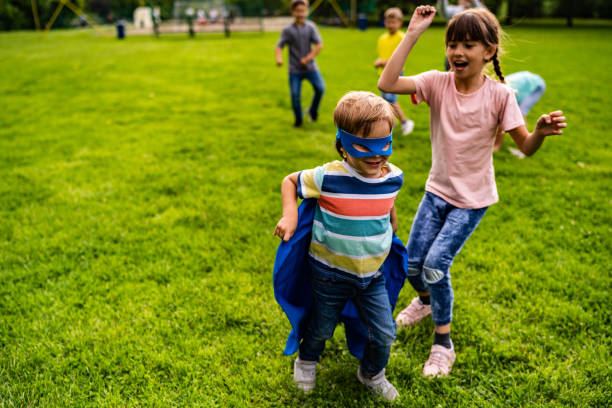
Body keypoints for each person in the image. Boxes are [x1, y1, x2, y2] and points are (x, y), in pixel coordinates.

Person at [378, 6, 566, 377]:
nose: (457, 52)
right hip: (437, 191)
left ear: (489, 50)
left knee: (434, 266)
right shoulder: (436, 82)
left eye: (467, 44)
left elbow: (525, 147)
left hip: (473, 199)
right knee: (413, 264)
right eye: (452, 44)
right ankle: (427, 302)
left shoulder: (501, 95)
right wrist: (413, 32)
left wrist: (540, 133)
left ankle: (443, 344)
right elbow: (387, 84)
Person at [273, 91, 404, 401]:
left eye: (385, 145)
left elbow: (387, 203)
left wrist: (390, 222)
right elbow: (290, 181)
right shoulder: (329, 176)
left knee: (384, 331)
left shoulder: (393, 176)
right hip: (328, 274)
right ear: (343, 145)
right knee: (320, 327)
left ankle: (372, 372)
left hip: (371, 275)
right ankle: (306, 362)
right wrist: (290, 216)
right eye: (365, 147)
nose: (377, 156)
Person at [275, 0, 325, 128]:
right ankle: (298, 120)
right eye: (298, 11)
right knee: (295, 96)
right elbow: (279, 46)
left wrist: (308, 58)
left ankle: (312, 110)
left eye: (303, 11)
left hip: (310, 68)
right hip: (294, 70)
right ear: (293, 12)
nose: (301, 14)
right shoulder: (287, 30)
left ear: (306, 11)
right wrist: (279, 58)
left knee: (320, 89)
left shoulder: (311, 27)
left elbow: (319, 45)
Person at [374, 7, 415, 136]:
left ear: (400, 23)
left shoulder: (402, 38)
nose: (391, 25)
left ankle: (405, 122)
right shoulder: (382, 38)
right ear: (385, 22)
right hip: (383, 74)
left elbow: (399, 58)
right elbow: (383, 55)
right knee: (387, 101)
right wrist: (379, 62)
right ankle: (393, 123)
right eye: (388, 22)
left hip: (395, 73)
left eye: (394, 22)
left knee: (390, 100)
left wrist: (382, 62)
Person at [495, 71, 547, 154]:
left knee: (521, 112)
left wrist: (496, 146)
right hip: (524, 82)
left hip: (537, 86)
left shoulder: (503, 96)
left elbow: (502, 122)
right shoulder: (497, 92)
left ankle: (525, 142)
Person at [437, 0, 485, 71]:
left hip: (472, 53)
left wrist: (474, 2)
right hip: (454, 52)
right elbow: (443, 11)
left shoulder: (478, 11)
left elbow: (483, 14)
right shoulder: (454, 10)